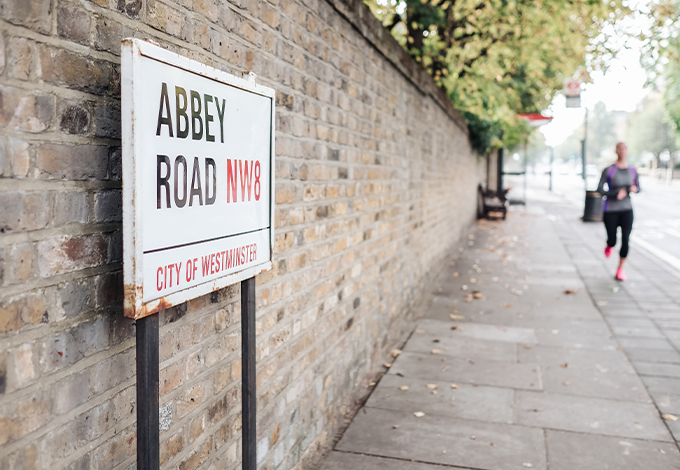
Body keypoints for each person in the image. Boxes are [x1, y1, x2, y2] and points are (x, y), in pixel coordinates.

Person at [596, 142, 640, 281]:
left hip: (627, 210)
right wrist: (614, 194)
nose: (622, 151)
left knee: (626, 239)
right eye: (619, 148)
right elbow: (600, 189)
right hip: (611, 210)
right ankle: (609, 244)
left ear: (627, 151)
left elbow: (639, 187)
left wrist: (634, 189)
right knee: (613, 239)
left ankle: (620, 269)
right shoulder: (609, 170)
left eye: (624, 148)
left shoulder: (632, 170)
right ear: (616, 151)